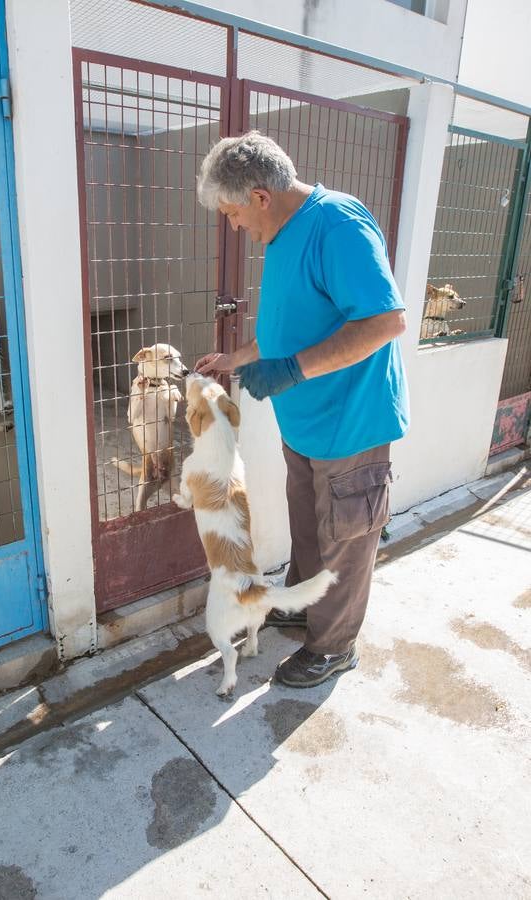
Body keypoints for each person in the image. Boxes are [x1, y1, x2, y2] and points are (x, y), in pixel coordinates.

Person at [194, 131, 409, 688]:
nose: (234, 226)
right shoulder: (282, 235)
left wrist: (292, 371)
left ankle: (334, 646)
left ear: (260, 196)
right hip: (306, 424)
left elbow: (384, 323)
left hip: (351, 423)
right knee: (311, 529)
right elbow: (286, 326)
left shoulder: (337, 226)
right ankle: (305, 608)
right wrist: (235, 359)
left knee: (345, 537)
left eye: (233, 213)